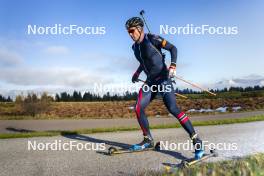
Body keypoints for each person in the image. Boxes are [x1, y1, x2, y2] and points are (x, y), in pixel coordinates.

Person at [125, 17, 204, 159]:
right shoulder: (134, 47)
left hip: (163, 79)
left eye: (132, 31)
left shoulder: (153, 38)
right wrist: (137, 73)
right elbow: (144, 63)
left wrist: (173, 65)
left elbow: (173, 48)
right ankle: (148, 140)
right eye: (128, 32)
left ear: (140, 29)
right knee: (138, 107)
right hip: (150, 82)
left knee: (173, 109)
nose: (130, 34)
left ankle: (197, 141)